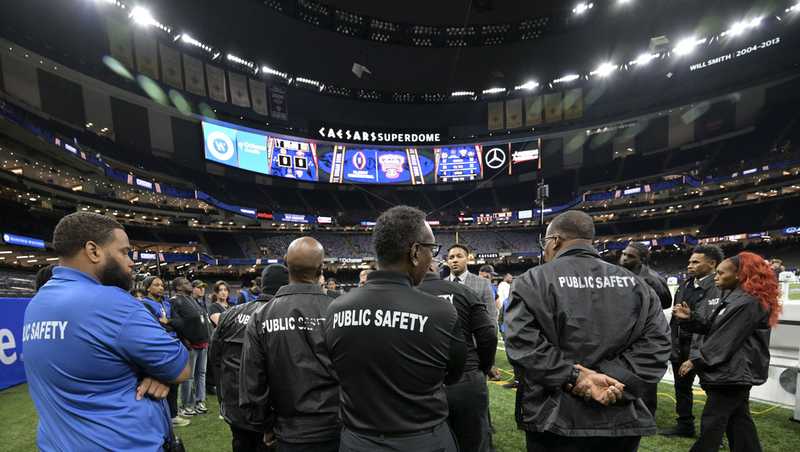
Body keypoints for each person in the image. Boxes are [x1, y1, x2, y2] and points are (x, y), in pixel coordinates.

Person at [22, 212, 190, 451]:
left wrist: (150, 372)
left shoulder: (37, 304)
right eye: (124, 252)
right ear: (93, 251)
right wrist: (157, 371)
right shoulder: (112, 302)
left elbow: (90, 366)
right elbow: (181, 367)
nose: (131, 261)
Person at [505, 210, 670, 452]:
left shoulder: (532, 280)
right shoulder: (638, 285)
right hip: (619, 415)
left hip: (554, 416)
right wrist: (611, 380)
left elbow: (523, 345)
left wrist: (578, 378)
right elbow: (657, 346)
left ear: (555, 241)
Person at [325, 205, 466, 452]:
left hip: (357, 441)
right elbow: (453, 375)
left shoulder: (335, 309)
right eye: (431, 250)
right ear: (414, 252)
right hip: (423, 440)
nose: (432, 258)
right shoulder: (442, 311)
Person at [674, 252, 781, 452]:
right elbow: (715, 327)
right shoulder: (735, 297)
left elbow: (725, 338)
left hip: (733, 372)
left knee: (712, 424)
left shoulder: (747, 302)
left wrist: (696, 360)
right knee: (740, 424)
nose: (716, 277)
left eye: (722, 273)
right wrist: (690, 319)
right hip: (733, 371)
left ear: (740, 275)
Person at [241, 238, 341, 451]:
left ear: (286, 266)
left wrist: (265, 425)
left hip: (289, 432)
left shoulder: (261, 317)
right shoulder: (339, 312)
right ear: (321, 268)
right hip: (337, 428)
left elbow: (252, 383)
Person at [419, 262, 497, 452]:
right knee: (474, 443)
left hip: (420, 385)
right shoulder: (463, 291)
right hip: (466, 379)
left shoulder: (403, 295)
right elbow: (488, 334)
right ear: (433, 267)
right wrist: (483, 368)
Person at [210, 264, 289, 452]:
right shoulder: (284, 316)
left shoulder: (230, 314)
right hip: (271, 411)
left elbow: (215, 357)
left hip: (235, 407)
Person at [660, 245, 724, 438]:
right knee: (681, 388)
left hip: (706, 349)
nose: (690, 265)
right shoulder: (685, 285)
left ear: (712, 264)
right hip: (681, 346)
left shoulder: (720, 287)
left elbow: (714, 324)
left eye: (695, 262)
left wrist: (697, 356)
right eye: (689, 261)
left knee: (713, 392)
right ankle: (685, 425)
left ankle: (714, 434)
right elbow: (676, 320)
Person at [619, 241, 672, 417]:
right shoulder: (622, 274)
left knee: (644, 374)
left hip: (643, 333)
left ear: (642, 259)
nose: (624, 258)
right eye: (624, 254)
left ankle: (647, 414)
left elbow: (665, 302)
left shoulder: (651, 279)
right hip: (626, 331)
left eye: (630, 256)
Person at [141, 275, 190, 428]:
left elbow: (181, 323)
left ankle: (173, 414)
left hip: (173, 345)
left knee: (173, 382)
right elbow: (154, 326)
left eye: (162, 285)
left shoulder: (167, 303)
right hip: (159, 347)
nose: (161, 287)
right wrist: (171, 325)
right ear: (148, 287)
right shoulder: (145, 305)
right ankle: (163, 416)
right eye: (156, 285)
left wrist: (169, 323)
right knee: (159, 383)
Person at [170, 277, 212, 418]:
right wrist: (185, 339)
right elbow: (176, 322)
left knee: (201, 374)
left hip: (203, 342)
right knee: (189, 376)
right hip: (191, 344)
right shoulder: (175, 300)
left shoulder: (192, 300)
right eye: (186, 283)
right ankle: (186, 404)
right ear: (178, 287)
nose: (190, 285)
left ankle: (199, 401)